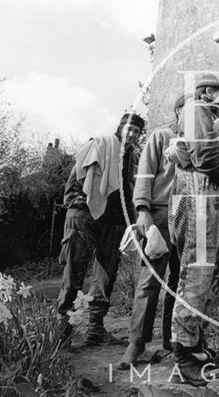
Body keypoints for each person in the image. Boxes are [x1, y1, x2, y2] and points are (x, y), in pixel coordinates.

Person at [165, 73, 219, 386]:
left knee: (214, 275)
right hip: (199, 199)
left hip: (217, 202)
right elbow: (205, 155)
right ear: (208, 91)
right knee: (197, 274)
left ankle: (197, 348)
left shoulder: (218, 120)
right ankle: (183, 354)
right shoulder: (196, 110)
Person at [116, 95, 192, 369]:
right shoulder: (161, 137)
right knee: (150, 279)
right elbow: (145, 175)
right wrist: (142, 210)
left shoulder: (199, 143)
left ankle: (171, 341)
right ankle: (136, 343)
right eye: (188, 110)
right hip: (159, 214)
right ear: (178, 112)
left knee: (180, 282)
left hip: (187, 215)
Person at [57, 113, 144, 346]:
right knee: (74, 272)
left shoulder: (134, 158)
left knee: (106, 275)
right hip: (85, 213)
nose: (132, 134)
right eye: (129, 129)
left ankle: (95, 329)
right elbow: (78, 174)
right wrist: (75, 200)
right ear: (120, 128)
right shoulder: (101, 144)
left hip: (114, 220)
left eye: (137, 131)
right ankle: (61, 332)